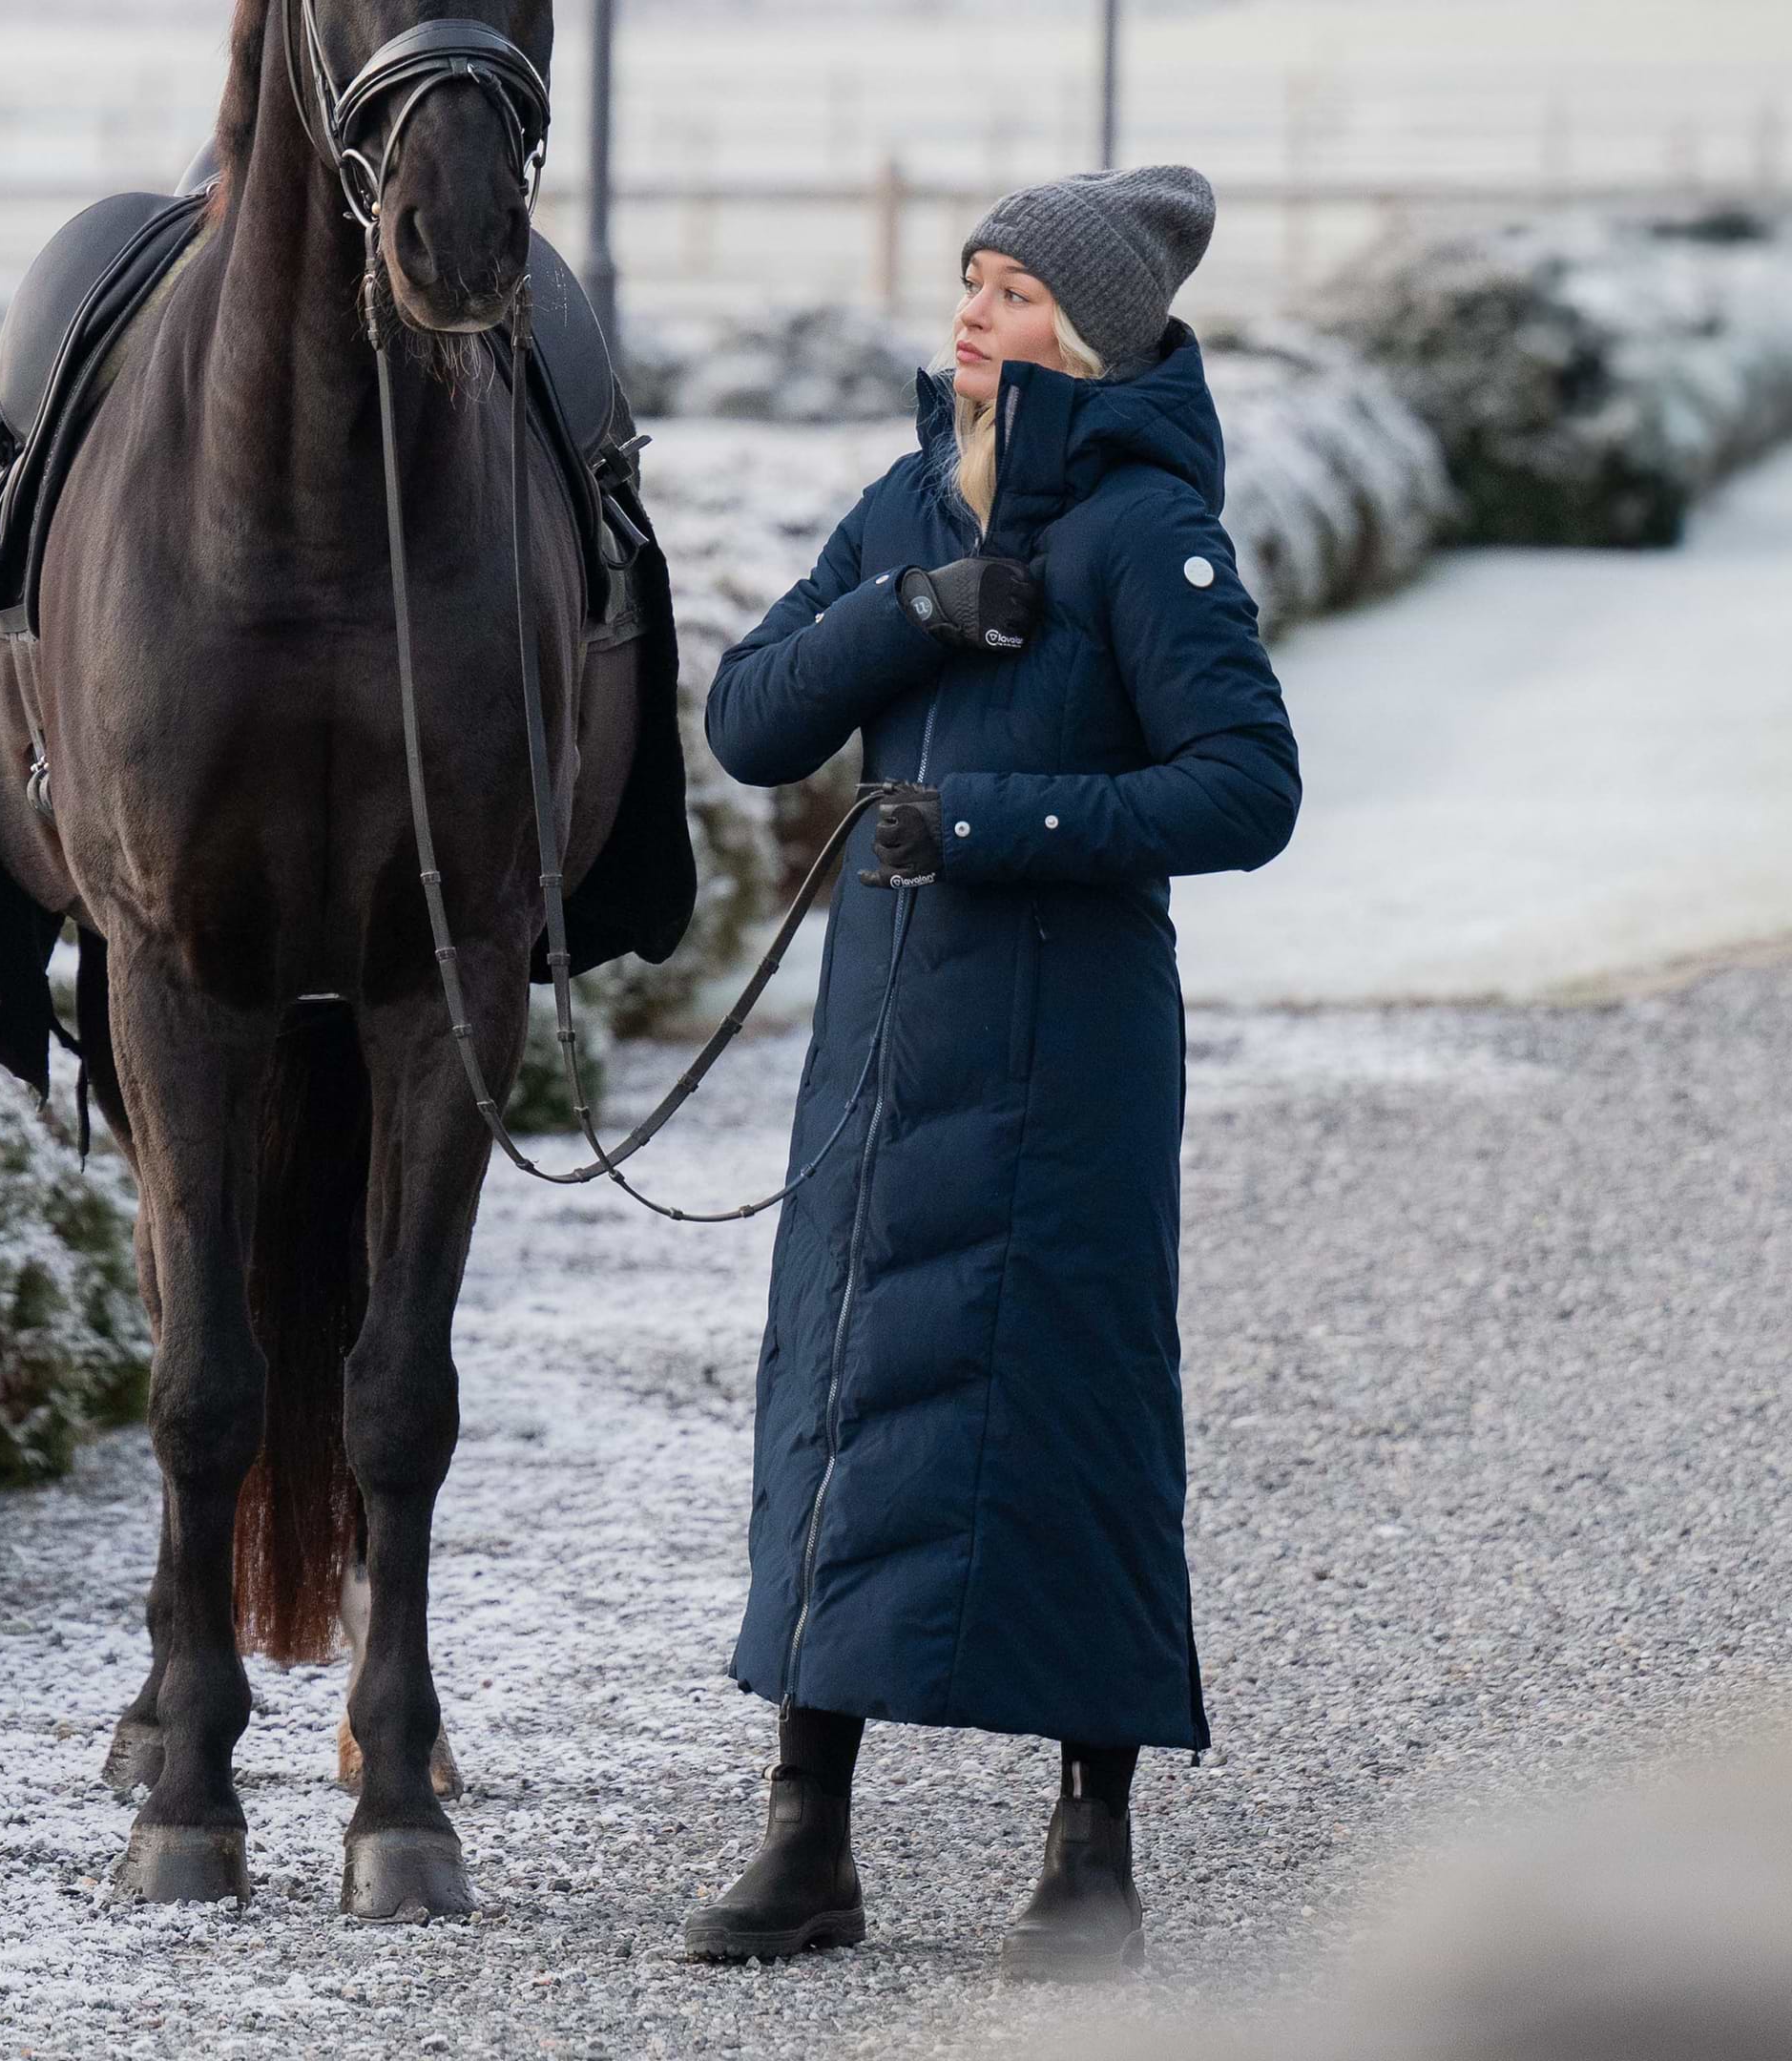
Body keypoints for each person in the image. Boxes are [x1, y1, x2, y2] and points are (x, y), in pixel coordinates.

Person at [688, 165, 1302, 1982]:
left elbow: (1247, 790)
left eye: (1017, 292)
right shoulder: (904, 507)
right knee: (838, 1405)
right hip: (882, 1051)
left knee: (1074, 1421)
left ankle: (1092, 1851)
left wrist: (988, 823)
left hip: (1073, 1060)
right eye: (971, 278)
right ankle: (808, 1836)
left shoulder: (1148, 534)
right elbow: (748, 720)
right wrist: (919, 612)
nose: (973, 311)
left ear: (1091, 338)